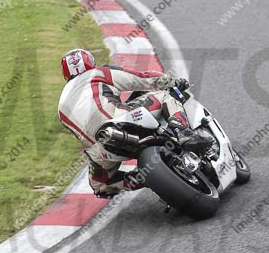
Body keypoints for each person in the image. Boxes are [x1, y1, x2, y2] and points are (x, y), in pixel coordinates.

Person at [58, 49, 211, 198]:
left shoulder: (61, 107)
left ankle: (148, 178)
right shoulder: (98, 72)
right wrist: (173, 82)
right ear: (90, 62)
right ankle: (183, 133)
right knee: (165, 96)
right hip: (120, 120)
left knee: (101, 186)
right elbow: (140, 78)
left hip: (100, 149)